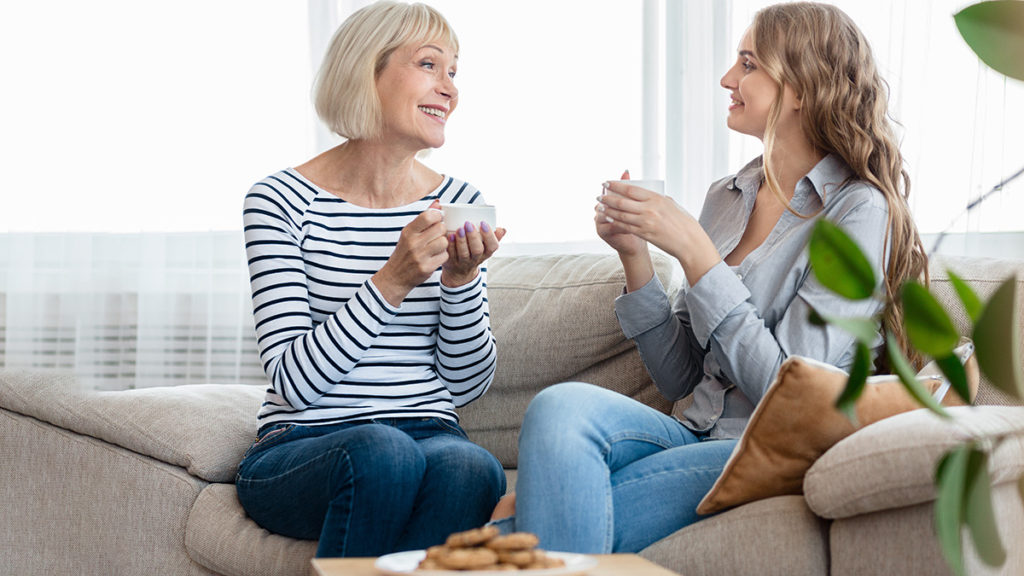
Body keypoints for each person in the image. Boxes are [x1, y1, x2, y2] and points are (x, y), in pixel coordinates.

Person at [491, 1, 927, 553]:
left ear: (798, 87)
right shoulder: (727, 196)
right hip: (691, 432)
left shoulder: (858, 212)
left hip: (765, 448)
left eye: (748, 63)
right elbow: (680, 379)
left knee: (520, 528)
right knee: (558, 406)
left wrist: (700, 257)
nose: (727, 78)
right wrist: (636, 257)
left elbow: (787, 394)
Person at [236, 1, 507, 558]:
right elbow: (293, 380)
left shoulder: (461, 203)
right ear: (367, 71)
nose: (450, 89)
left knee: (472, 466)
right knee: (384, 452)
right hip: (304, 445)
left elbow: (465, 387)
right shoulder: (279, 202)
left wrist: (459, 281)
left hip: (431, 433)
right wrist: (393, 279)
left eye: (454, 72)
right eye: (430, 65)